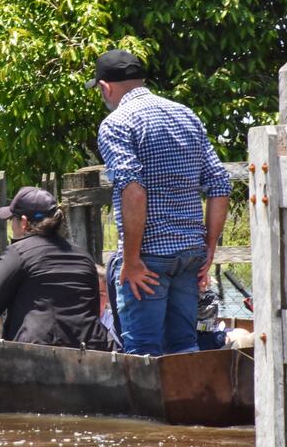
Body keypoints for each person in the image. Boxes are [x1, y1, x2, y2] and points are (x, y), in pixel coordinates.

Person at [86, 49, 231, 356]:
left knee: (143, 352)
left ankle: (145, 407)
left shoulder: (116, 123)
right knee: (185, 346)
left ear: (105, 87)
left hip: (148, 258)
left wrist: (133, 258)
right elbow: (219, 183)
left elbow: (134, 191)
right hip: (190, 254)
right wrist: (209, 248)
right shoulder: (186, 115)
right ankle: (188, 403)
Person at [0, 186, 109, 353]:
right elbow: (92, 311)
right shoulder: (84, 257)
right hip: (91, 348)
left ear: (23, 222)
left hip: (38, 352)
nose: (11, 226)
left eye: (11, 220)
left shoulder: (19, 252)